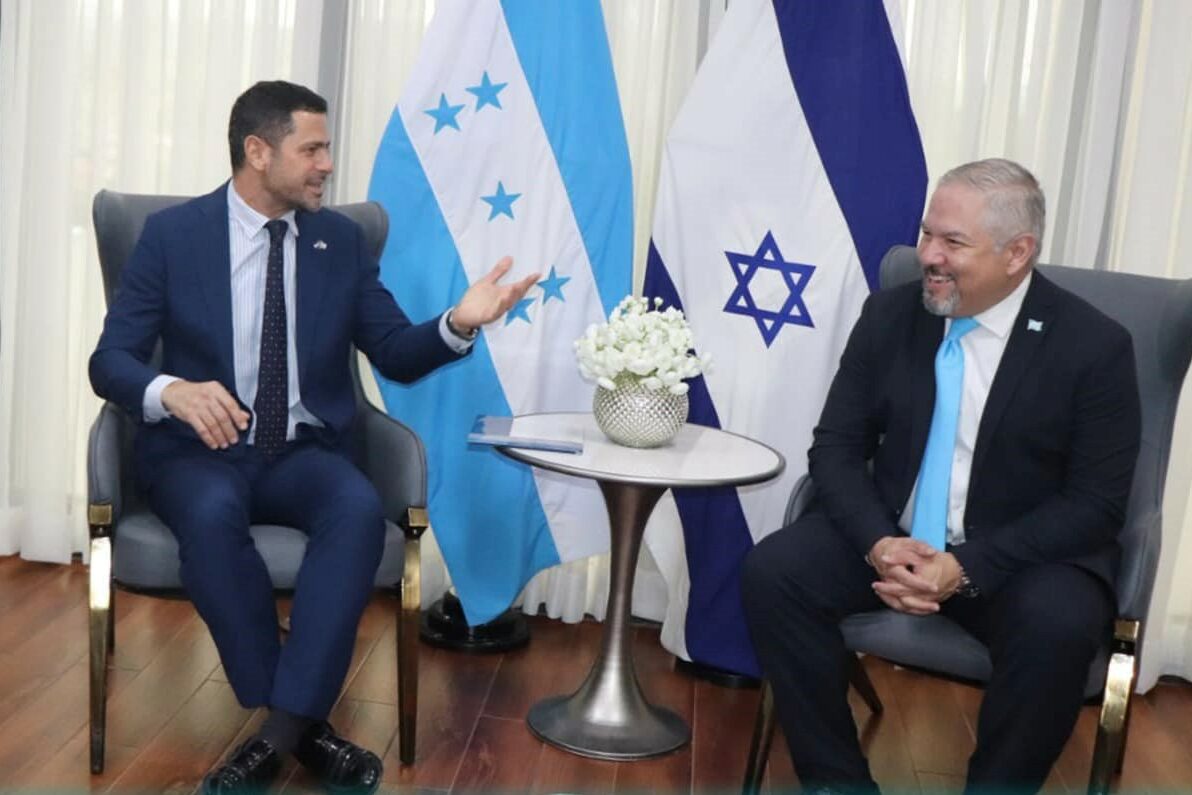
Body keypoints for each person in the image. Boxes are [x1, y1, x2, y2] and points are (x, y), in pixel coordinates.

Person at [89, 80, 537, 795]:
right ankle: (305, 730)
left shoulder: (339, 242)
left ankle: (276, 737)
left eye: (327, 149)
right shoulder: (173, 237)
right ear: (257, 152)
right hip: (200, 450)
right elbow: (109, 361)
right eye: (313, 149)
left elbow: (393, 350)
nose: (327, 164)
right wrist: (170, 390)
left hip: (302, 451)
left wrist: (458, 323)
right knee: (209, 514)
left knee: (356, 510)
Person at [741, 159, 1141, 795]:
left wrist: (967, 565)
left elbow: (1095, 504)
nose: (928, 255)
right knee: (774, 573)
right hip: (892, 537)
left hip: (1020, 559)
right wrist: (879, 543)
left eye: (953, 242)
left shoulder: (1094, 348)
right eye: (928, 234)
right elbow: (836, 448)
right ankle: (836, 783)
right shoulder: (889, 316)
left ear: (1018, 253)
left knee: (1057, 627)